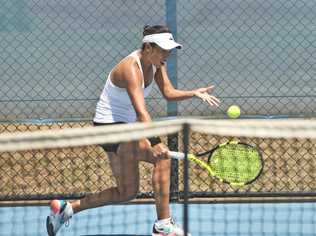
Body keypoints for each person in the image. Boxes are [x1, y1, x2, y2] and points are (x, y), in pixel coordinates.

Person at [46, 25, 220, 236]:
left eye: (169, 50)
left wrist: (194, 93)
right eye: (163, 50)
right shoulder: (131, 68)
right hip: (110, 127)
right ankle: (163, 225)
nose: (167, 54)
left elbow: (168, 92)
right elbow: (141, 111)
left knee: (126, 192)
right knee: (162, 158)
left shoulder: (157, 63)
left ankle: (68, 209)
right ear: (148, 47)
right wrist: (156, 143)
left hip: (123, 127)